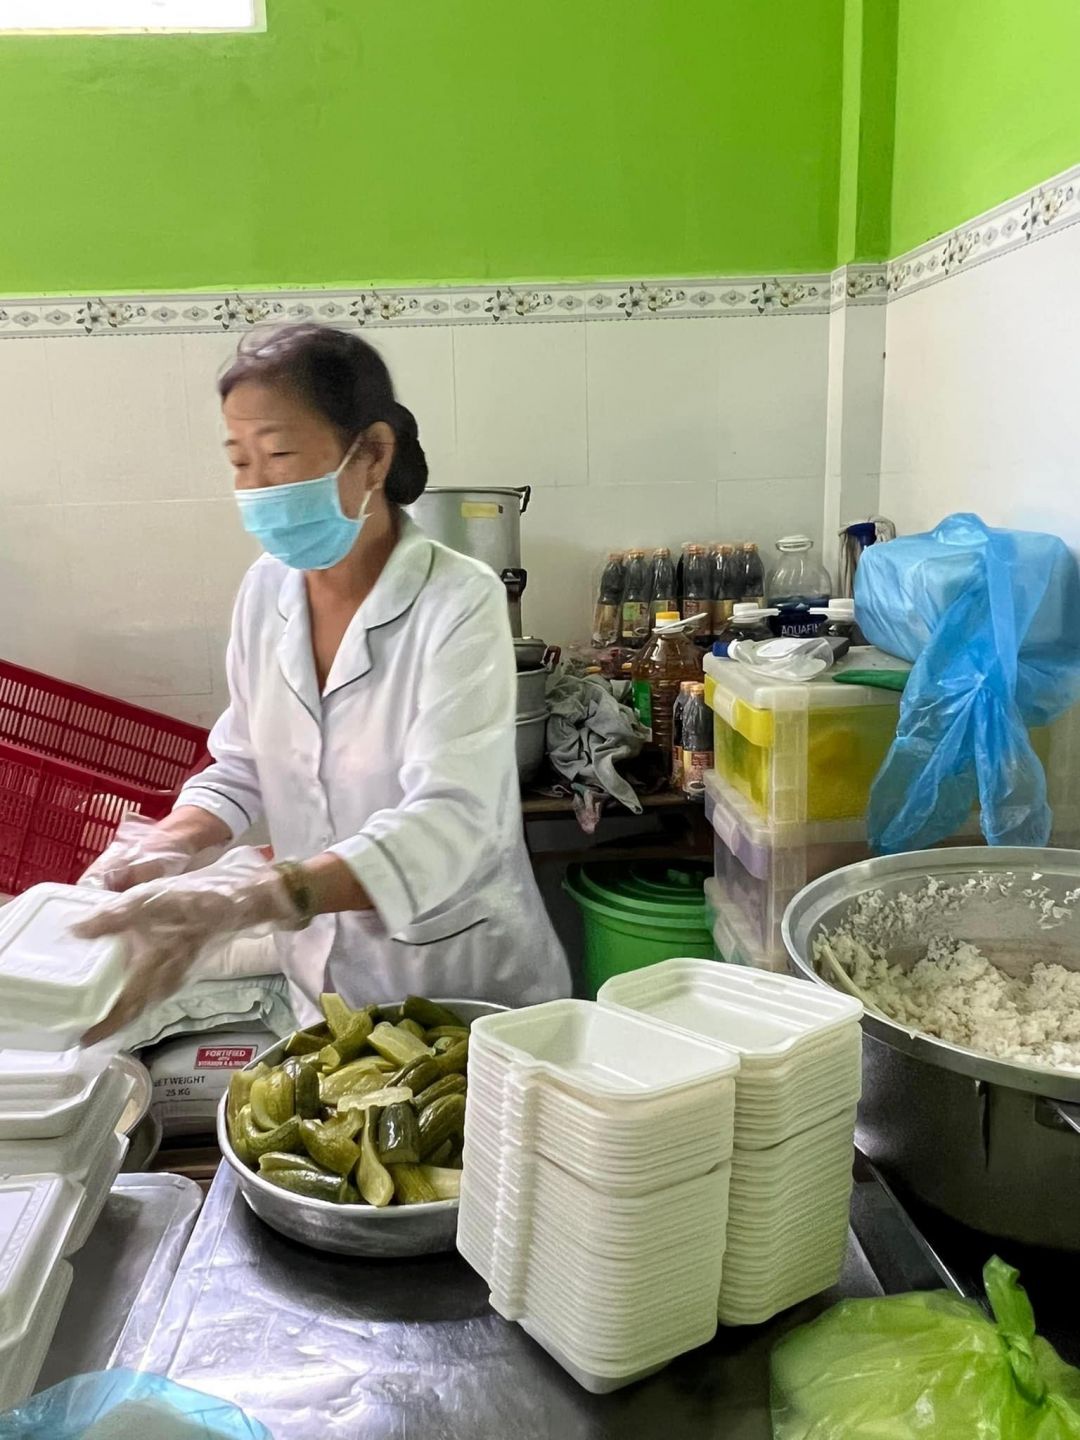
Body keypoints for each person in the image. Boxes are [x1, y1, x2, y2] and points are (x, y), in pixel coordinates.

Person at [76, 323, 570, 1042]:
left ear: (371, 454)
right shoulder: (265, 591)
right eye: (239, 460)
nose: (254, 486)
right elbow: (244, 762)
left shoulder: (458, 599)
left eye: (278, 455)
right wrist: (171, 843)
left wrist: (265, 895)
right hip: (324, 986)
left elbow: (453, 818)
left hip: (461, 985)